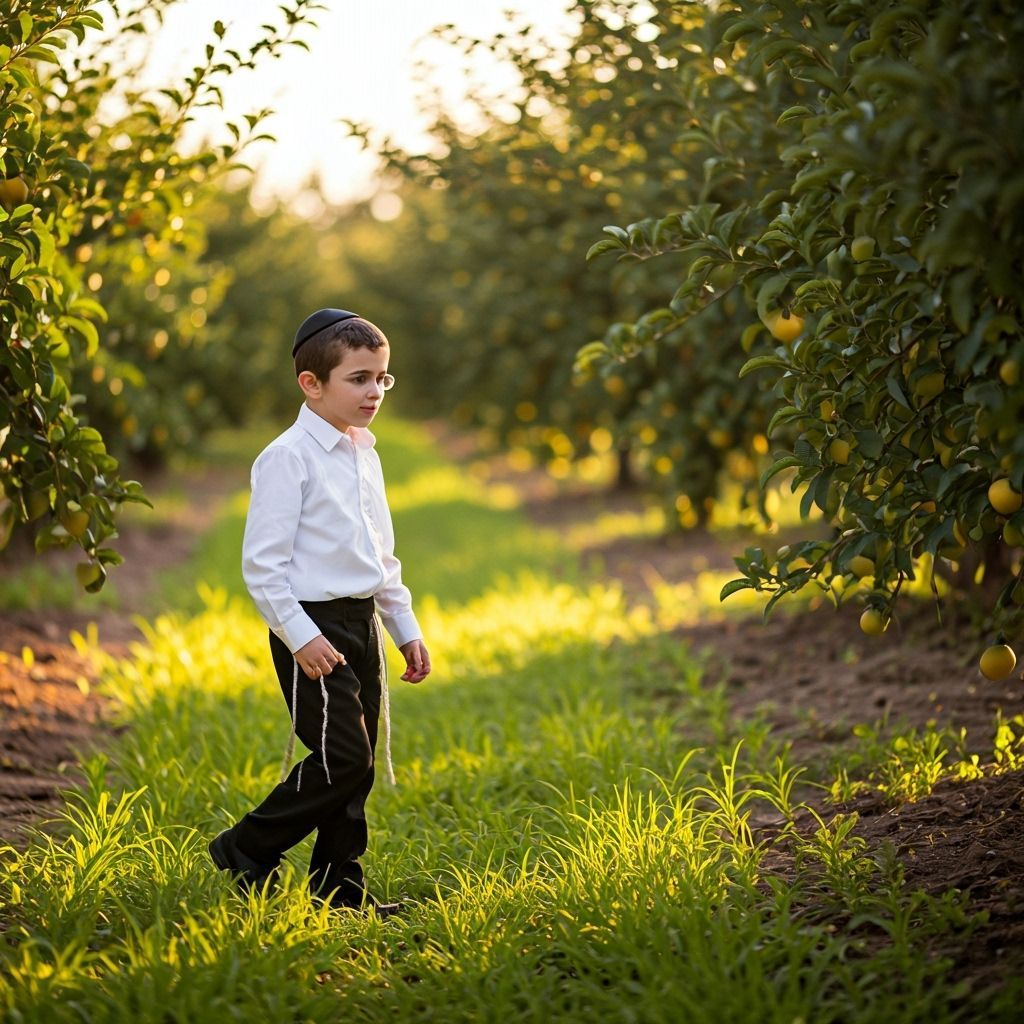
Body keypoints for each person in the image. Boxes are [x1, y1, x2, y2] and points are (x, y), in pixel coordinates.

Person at [208, 308, 431, 918]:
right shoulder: (287, 458)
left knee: (352, 769)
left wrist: (402, 627)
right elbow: (263, 567)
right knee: (344, 757)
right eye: (359, 379)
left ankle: (338, 891)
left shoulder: (365, 454)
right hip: (312, 626)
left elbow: (379, 554)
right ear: (312, 383)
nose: (374, 392)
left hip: (361, 623)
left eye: (383, 379)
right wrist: (300, 636)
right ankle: (247, 845)